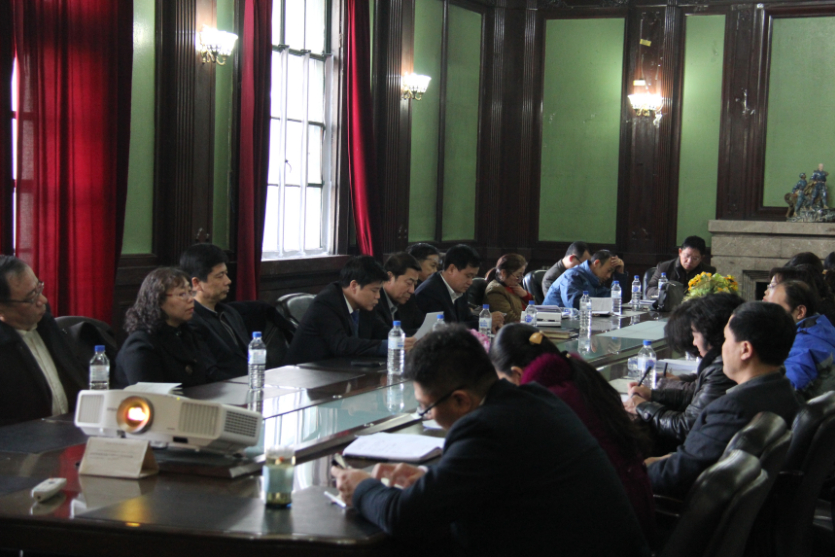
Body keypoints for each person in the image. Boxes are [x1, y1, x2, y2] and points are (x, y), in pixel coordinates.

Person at [331, 326, 650, 557]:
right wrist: (434, 480)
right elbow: (500, 478)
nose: (427, 416)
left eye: (426, 408)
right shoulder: (534, 397)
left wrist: (360, 487)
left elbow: (403, 516)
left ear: (460, 400)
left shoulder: (486, 429)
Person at [490, 323, 656, 546]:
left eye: (503, 383)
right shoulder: (575, 375)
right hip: (635, 516)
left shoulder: (546, 403)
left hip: (606, 533)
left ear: (518, 374)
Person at [646, 302, 802, 498]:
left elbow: (677, 476)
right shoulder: (785, 392)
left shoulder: (733, 408)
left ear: (745, 350)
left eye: (727, 339)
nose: (721, 349)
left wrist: (635, 471)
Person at [625, 294, 743, 451]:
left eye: (695, 335)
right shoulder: (718, 365)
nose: (693, 343)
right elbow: (698, 394)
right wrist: (653, 395)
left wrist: (642, 407)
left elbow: (686, 427)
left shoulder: (722, 369)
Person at [0, 256, 87, 425]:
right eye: (31, 298)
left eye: (38, 289)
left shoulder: (46, 324)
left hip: (71, 430)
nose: (43, 301)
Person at [284, 256, 412, 365]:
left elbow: (381, 331)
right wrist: (388, 346)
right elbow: (342, 345)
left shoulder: (365, 305)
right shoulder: (326, 303)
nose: (378, 296)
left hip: (340, 371)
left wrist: (408, 340)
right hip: (305, 374)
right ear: (354, 286)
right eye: (374, 290)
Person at [115, 267, 215, 388]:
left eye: (190, 292)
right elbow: (148, 395)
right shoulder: (141, 344)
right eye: (182, 294)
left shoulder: (186, 333)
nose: (190, 299)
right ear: (159, 300)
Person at [179, 243, 249, 381]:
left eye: (226, 274)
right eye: (220, 276)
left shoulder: (229, 313)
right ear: (196, 283)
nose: (228, 281)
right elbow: (210, 373)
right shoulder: (191, 321)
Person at [764, 280, 835, 399]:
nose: (767, 316)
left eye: (775, 309)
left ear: (800, 312)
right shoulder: (821, 329)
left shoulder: (802, 345)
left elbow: (783, 392)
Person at [414, 244, 503, 332]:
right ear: (451, 269)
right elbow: (445, 330)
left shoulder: (459, 287)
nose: (470, 282)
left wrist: (488, 322)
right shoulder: (429, 292)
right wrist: (483, 322)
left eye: (473, 277)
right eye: (468, 276)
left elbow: (467, 318)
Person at [542, 249, 627, 309]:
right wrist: (604, 304)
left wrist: (620, 273)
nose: (609, 276)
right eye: (608, 270)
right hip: (551, 324)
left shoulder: (596, 279)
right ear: (597, 263)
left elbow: (614, 301)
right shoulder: (572, 275)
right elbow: (575, 305)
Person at [646, 236, 716, 299]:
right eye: (687, 256)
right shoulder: (664, 267)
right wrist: (667, 293)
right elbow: (650, 290)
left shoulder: (709, 271)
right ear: (680, 252)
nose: (689, 261)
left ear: (701, 258)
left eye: (695, 258)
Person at [374, 252, 425, 336]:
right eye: (409, 283)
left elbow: (422, 325)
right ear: (389, 277)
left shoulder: (408, 299)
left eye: (414, 284)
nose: (412, 290)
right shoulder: (374, 300)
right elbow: (385, 335)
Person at [484, 254, 533, 323]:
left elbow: (535, 309)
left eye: (521, 275)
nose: (520, 280)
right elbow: (510, 319)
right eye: (518, 276)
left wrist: (526, 296)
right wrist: (533, 319)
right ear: (503, 273)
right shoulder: (495, 290)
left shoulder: (514, 286)